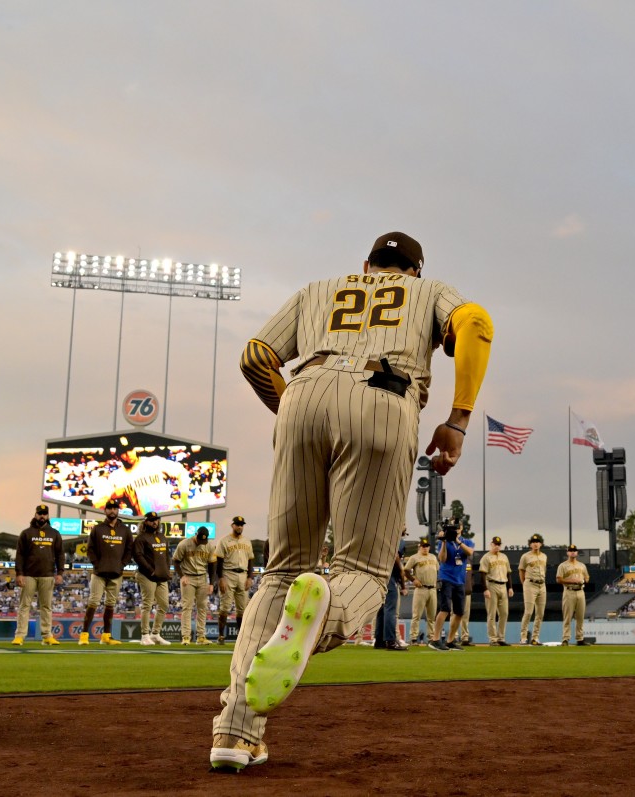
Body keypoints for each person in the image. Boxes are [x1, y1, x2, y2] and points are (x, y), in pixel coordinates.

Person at [210, 230, 492, 771]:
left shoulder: (318, 289)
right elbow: (476, 323)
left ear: (365, 264)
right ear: (412, 271)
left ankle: (235, 732)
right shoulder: (426, 290)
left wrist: (296, 410)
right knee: (362, 568)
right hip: (385, 396)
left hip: (303, 391)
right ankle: (319, 621)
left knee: (280, 571)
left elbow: (255, 356)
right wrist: (457, 421)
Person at [80, 500, 133, 645]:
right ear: (105, 511)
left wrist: (122, 565)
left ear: (118, 511)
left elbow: (129, 550)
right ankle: (84, 635)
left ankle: (106, 636)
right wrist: (97, 564)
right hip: (99, 573)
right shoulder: (97, 529)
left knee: (110, 605)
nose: (112, 511)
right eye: (109, 508)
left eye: (115, 508)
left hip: (116, 573)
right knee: (93, 602)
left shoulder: (125, 530)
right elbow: (90, 549)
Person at [13, 504, 64, 646]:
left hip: (47, 575)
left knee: (46, 606)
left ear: (47, 516)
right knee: (25, 606)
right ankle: (20, 635)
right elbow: (20, 555)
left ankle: (47, 635)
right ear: (35, 514)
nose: (42, 516)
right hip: (29, 575)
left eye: (44, 514)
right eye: (40, 513)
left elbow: (60, 554)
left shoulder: (54, 533)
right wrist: (19, 573)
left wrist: (60, 572)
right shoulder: (26, 533)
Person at [427, 519, 474, 651]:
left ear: (461, 528)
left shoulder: (466, 541)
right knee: (445, 609)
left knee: (459, 612)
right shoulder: (445, 542)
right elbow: (442, 559)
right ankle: (435, 639)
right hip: (446, 578)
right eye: (453, 527)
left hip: (460, 580)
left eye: (457, 527)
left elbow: (470, 552)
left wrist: (458, 541)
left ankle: (450, 640)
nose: (455, 529)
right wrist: (444, 541)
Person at [132, 511, 172, 645]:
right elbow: (138, 556)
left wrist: (166, 570)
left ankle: (155, 634)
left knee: (164, 604)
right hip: (146, 575)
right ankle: (145, 635)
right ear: (146, 522)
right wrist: (150, 570)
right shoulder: (141, 538)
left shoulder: (162, 536)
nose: (155, 522)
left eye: (157, 520)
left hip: (161, 576)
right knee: (147, 604)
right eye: (152, 520)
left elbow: (167, 555)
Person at [214, 516, 254, 644]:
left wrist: (250, 577)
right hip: (228, 574)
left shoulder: (247, 542)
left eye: (241, 525)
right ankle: (221, 636)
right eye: (237, 524)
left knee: (242, 608)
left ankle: (240, 637)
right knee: (225, 607)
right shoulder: (224, 541)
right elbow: (218, 561)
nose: (239, 527)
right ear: (232, 525)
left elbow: (251, 560)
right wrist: (220, 578)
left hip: (243, 575)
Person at [173, 527, 216, 645]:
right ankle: (186, 636)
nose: (201, 543)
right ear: (196, 535)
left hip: (202, 577)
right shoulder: (184, 544)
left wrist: (211, 583)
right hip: (188, 577)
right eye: (199, 539)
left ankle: (201, 637)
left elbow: (212, 565)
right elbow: (176, 561)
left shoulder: (209, 546)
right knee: (187, 607)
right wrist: (181, 576)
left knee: (202, 607)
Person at [479, 536, 513, 646]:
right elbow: (482, 574)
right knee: (491, 614)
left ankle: (501, 638)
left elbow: (508, 573)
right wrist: (485, 589)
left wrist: (510, 587)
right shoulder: (486, 557)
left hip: (503, 585)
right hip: (491, 585)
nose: (497, 546)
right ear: (491, 544)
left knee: (504, 613)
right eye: (495, 544)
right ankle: (493, 639)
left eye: (499, 544)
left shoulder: (504, 557)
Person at [403, 538, 438, 644]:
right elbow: (406, 571)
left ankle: (431, 637)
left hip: (432, 588)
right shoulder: (414, 557)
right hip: (421, 589)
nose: (425, 548)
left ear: (429, 547)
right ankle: (413, 637)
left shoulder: (433, 557)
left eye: (427, 546)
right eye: (423, 546)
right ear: (419, 547)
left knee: (431, 616)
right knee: (416, 615)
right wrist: (413, 580)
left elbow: (437, 570)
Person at [373, 544, 407, 651]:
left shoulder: (379, 542)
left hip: (378, 577)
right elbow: (397, 562)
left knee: (382, 610)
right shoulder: (394, 540)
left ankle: (379, 640)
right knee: (390, 610)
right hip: (389, 577)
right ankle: (391, 641)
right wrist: (403, 585)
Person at [556, 543, 590, 646]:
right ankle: (565, 639)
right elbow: (558, 579)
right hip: (569, 591)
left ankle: (580, 639)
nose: (572, 552)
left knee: (580, 617)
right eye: (570, 551)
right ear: (567, 553)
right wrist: (572, 580)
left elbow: (587, 577)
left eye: (574, 551)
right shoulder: (563, 565)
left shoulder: (582, 565)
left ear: (577, 552)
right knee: (568, 617)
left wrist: (584, 580)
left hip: (580, 591)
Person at [518, 533, 548, 645]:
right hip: (530, 584)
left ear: (541, 544)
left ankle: (535, 638)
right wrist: (524, 583)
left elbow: (543, 570)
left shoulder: (544, 556)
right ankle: (523, 637)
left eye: (537, 542)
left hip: (542, 584)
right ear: (530, 544)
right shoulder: (525, 556)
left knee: (540, 613)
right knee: (528, 612)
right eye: (533, 542)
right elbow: (521, 570)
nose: (535, 544)